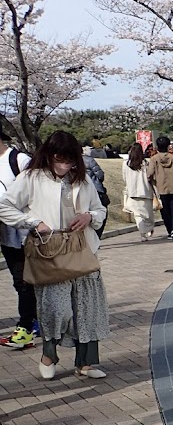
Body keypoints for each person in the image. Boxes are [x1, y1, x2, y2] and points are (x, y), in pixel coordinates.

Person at [0, 131, 108, 380]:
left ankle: (86, 363)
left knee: (87, 309)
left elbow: (99, 208)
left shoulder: (82, 178)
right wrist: (33, 223)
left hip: (83, 250)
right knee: (56, 309)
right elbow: (5, 206)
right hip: (50, 252)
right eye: (59, 159)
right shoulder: (31, 177)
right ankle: (49, 355)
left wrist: (89, 216)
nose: (64, 166)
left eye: (69, 160)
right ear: (49, 155)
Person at [0, 129, 37, 349]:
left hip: (26, 234)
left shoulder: (19, 160)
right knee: (20, 281)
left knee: (27, 281)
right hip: (6, 235)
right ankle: (32, 322)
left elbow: (38, 192)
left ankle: (27, 327)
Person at [147, 136, 173, 241]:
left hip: (161, 189)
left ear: (157, 146)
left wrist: (151, 182)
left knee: (165, 212)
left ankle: (170, 230)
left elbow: (149, 174)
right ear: (168, 146)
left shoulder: (154, 159)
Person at [122, 143, 156, 240]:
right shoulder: (146, 164)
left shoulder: (126, 164)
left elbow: (124, 178)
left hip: (133, 192)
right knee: (148, 215)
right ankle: (147, 230)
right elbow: (150, 178)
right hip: (146, 192)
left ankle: (142, 233)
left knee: (138, 216)